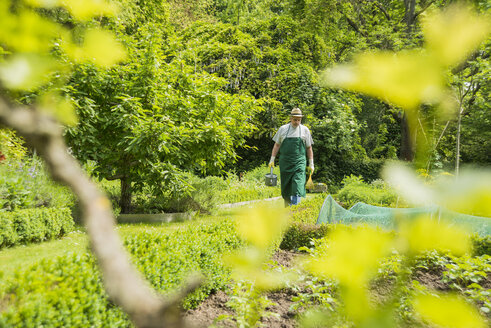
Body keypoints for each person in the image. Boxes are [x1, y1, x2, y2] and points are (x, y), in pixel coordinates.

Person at [269, 108, 314, 206]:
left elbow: (309, 147)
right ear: (290, 118)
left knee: (297, 184)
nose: (297, 122)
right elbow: (277, 145)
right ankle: (287, 208)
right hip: (285, 162)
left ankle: (294, 208)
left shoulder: (305, 130)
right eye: (295, 119)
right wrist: (272, 159)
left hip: (299, 162)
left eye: (299, 120)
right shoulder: (283, 129)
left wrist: (311, 164)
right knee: (286, 186)